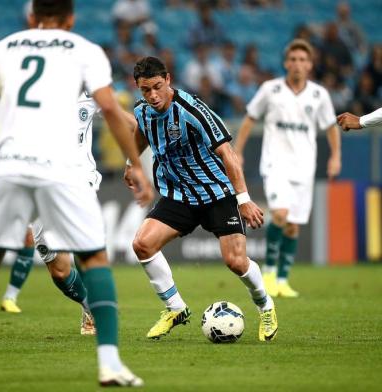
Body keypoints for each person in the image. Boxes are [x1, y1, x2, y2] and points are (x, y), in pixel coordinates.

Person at [0, 0, 153, 387]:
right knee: (92, 258)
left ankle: (92, 320)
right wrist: (137, 166)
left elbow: (114, 113)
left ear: (31, 17)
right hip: (54, 169)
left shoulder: (0, 50)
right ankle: (110, 361)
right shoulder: (85, 51)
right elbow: (113, 112)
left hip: (20, 168)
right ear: (71, 19)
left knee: (18, 258)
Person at [125, 56, 278, 342]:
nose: (153, 95)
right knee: (142, 244)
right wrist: (131, 164)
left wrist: (243, 199)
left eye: (158, 87)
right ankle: (175, 308)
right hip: (179, 195)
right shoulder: (143, 111)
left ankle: (265, 306)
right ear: (138, 88)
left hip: (216, 193)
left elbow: (228, 154)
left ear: (168, 79)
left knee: (235, 261)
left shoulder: (191, 110)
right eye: (146, 90)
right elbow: (141, 133)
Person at [234, 39, 342, 298]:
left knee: (293, 225)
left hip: (304, 167)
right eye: (293, 59)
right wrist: (237, 151)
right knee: (280, 215)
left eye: (303, 60)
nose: (297, 64)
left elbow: (330, 127)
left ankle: (282, 280)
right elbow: (249, 119)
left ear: (310, 65)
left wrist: (335, 157)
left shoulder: (319, 95)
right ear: (286, 63)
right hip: (275, 164)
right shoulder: (270, 89)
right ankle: (269, 273)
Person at [0, 91, 102, 335]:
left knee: (83, 245)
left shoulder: (89, 91)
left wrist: (133, 163)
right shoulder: (26, 91)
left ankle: (98, 311)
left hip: (79, 181)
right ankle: (89, 307)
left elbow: (120, 116)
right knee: (59, 270)